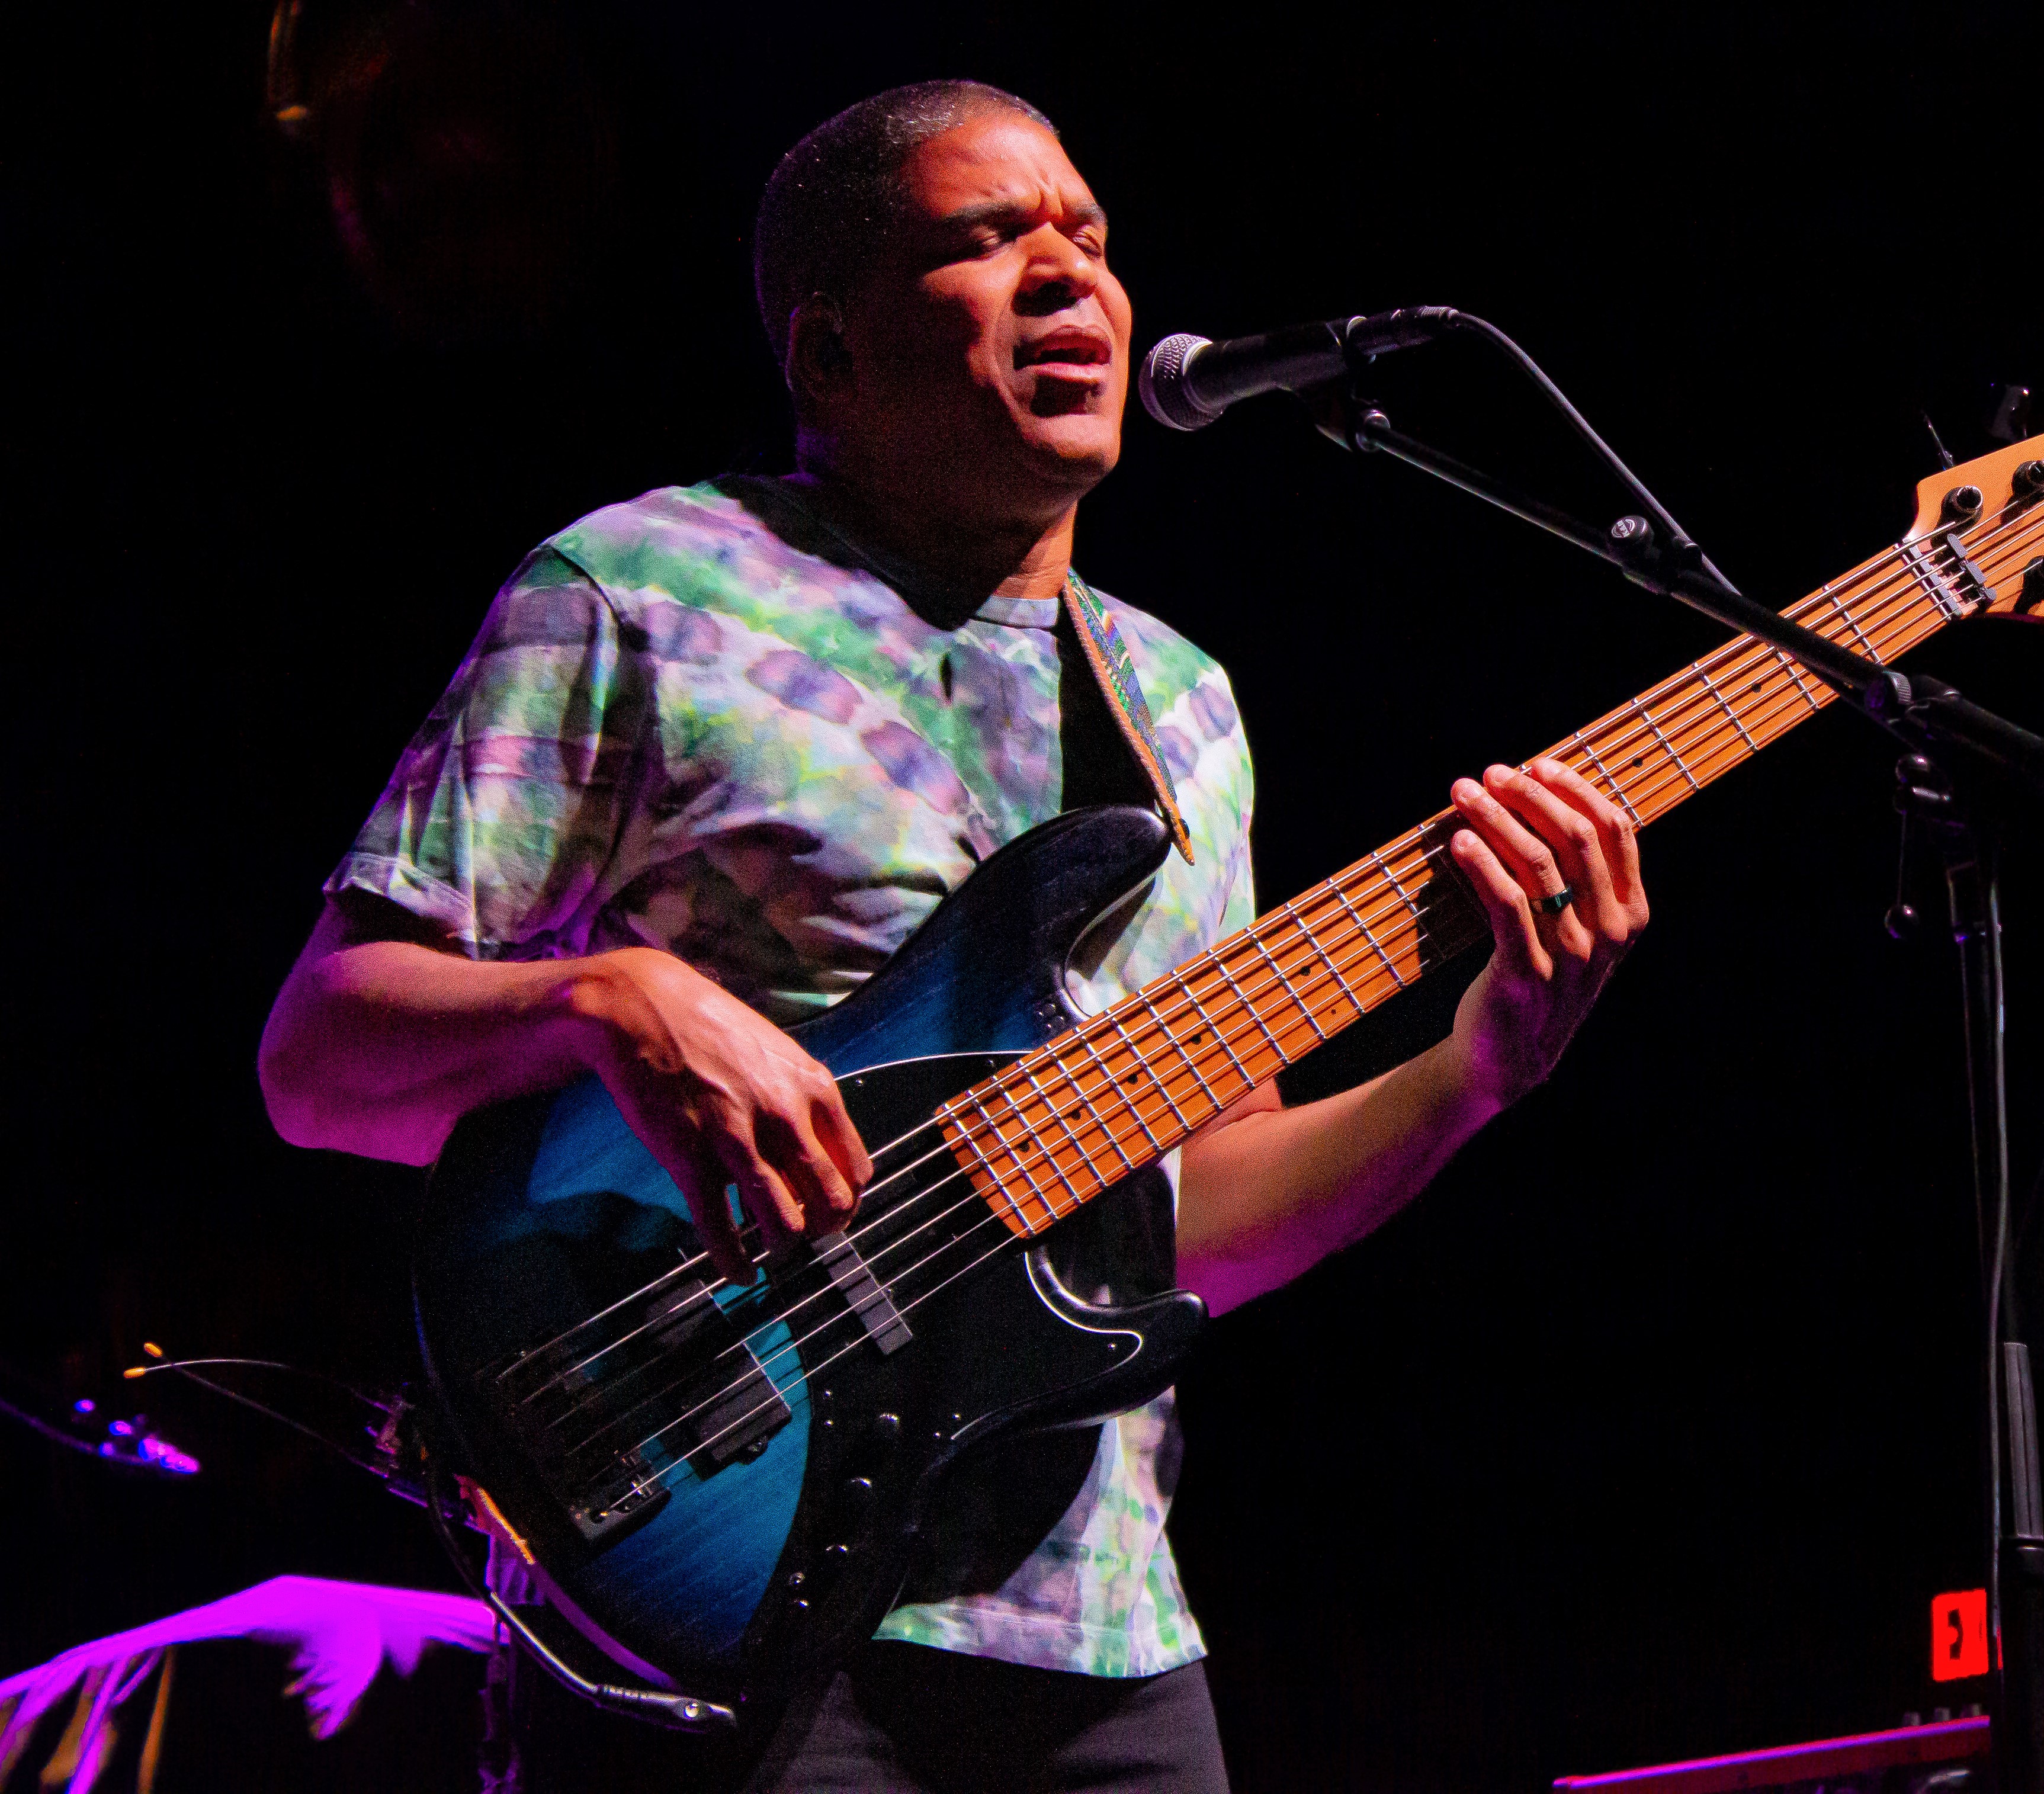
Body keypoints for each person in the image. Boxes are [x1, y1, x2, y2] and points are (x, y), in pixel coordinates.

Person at [256, 79, 1651, 1793]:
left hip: (1104, 1642)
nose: (1069, 276)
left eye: (1087, 238)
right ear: (829, 355)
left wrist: (1472, 1074)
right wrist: (604, 1001)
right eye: (988, 244)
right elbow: (322, 1058)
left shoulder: (1183, 707)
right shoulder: (644, 586)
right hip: (732, 1610)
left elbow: (1190, 1214)